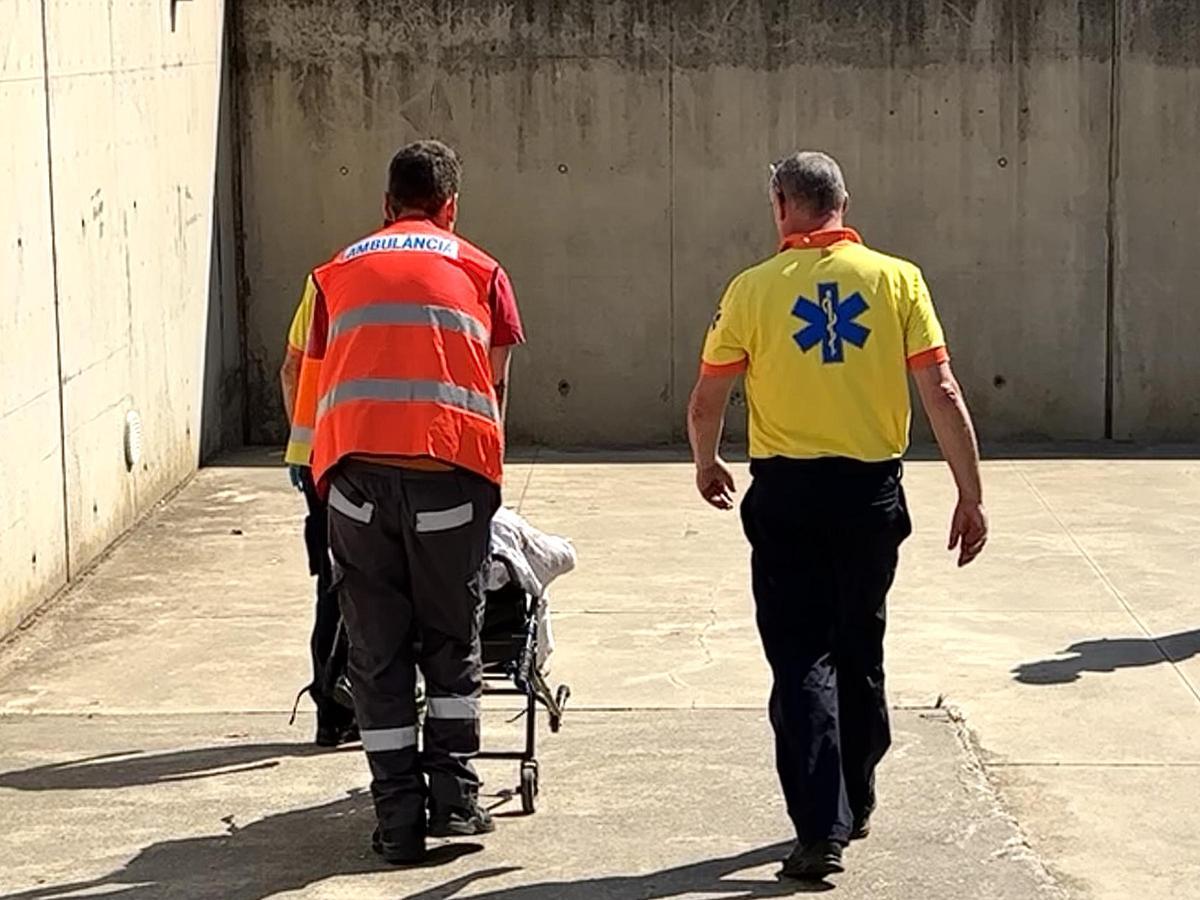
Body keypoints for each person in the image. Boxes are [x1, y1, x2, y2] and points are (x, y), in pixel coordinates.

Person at [687, 151, 987, 880]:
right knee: (859, 644)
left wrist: (706, 460)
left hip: (787, 496)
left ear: (783, 204)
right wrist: (969, 493)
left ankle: (820, 827)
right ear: (843, 204)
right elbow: (940, 392)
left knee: (799, 659)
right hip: (870, 497)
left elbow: (707, 397)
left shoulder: (751, 290)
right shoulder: (897, 279)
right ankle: (858, 792)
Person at [295, 139, 524, 864]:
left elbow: (307, 376)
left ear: (386, 203)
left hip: (355, 486)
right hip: (448, 484)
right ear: (450, 207)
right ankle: (455, 803)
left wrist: (318, 477)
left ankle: (396, 819)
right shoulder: (483, 273)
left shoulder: (334, 274)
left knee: (376, 652)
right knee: (451, 645)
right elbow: (495, 390)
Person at [280, 278, 358, 748]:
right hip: (356, 454)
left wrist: (298, 442)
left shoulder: (320, 284)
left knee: (330, 585)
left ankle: (329, 713)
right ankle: (358, 699)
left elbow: (291, 368)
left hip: (315, 461)